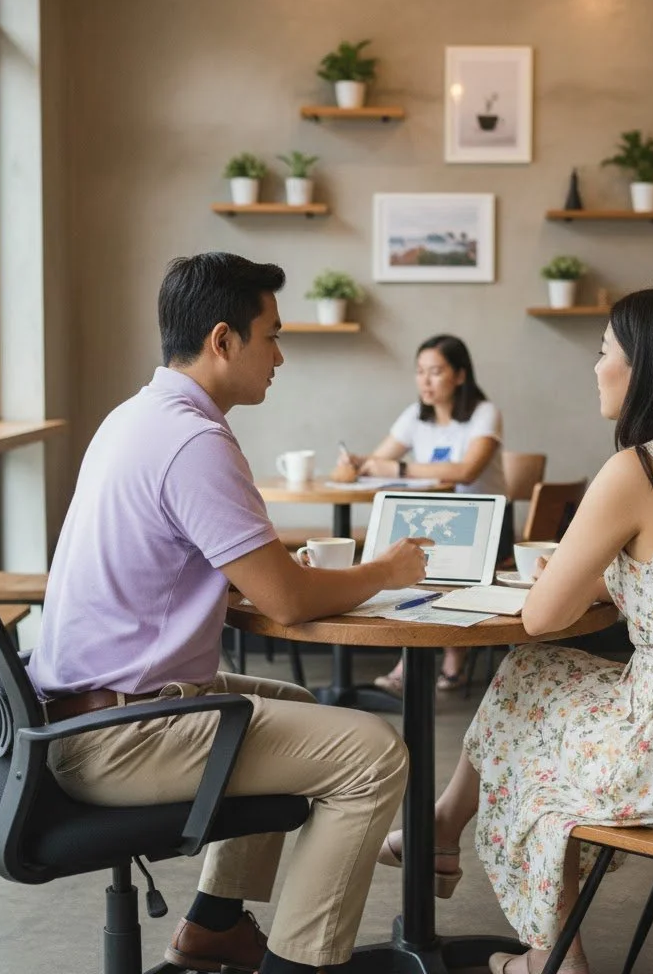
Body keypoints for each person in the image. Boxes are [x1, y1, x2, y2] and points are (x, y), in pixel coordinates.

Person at [376, 289, 653, 974]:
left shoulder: (638, 470)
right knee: (531, 673)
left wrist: (568, 578)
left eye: (605, 352)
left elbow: (542, 617)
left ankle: (552, 958)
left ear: (645, 369)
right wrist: (610, 578)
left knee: (533, 761)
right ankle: (445, 826)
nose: (596, 366)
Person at [28, 252, 431, 974]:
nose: (280, 356)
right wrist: (386, 571)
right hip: (121, 736)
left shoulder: (136, 417)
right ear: (223, 340)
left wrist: (273, 573)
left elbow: (214, 569)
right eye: (271, 336)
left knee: (296, 704)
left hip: (78, 714)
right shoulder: (195, 441)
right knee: (373, 754)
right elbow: (286, 601)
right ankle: (297, 965)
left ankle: (213, 926)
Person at [344, 333, 511, 695]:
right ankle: (412, 658)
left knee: (428, 564)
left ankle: (448, 657)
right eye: (420, 371)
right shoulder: (415, 416)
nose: (425, 381)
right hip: (435, 521)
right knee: (403, 558)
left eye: (435, 372)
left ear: (460, 375)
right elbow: (377, 462)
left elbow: (467, 471)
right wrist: (359, 462)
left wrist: (400, 469)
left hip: (486, 527)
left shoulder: (484, 413)